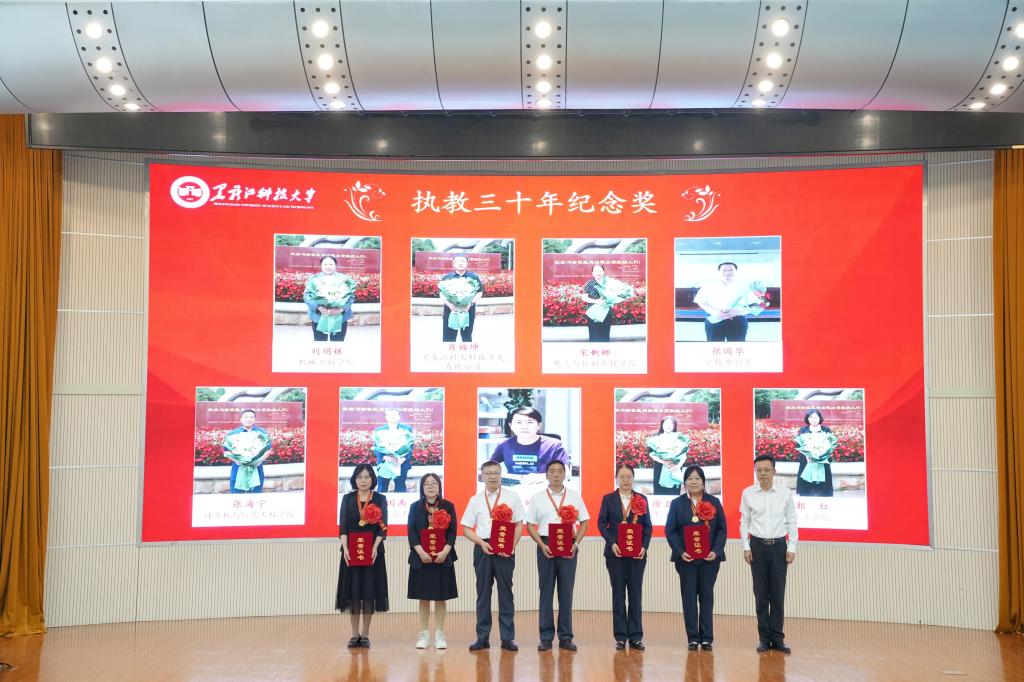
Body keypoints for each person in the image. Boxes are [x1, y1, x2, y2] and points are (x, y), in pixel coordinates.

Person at [460, 460, 526, 652]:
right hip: (483, 548)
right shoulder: (475, 500)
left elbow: (519, 524)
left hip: (506, 549)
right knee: (483, 594)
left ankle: (507, 638)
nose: (493, 477)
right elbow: (466, 529)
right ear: (482, 476)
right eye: (488, 473)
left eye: (496, 473)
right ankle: (482, 637)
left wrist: (512, 546)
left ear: (501, 475)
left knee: (506, 593)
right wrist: (481, 543)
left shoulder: (512, 496)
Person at [526, 460, 589, 651]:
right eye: (552, 471)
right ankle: (545, 638)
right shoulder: (537, 498)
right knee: (545, 592)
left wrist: (576, 544)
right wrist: (541, 545)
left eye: (560, 471)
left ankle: (565, 637)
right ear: (546, 475)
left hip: (568, 547)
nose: (556, 474)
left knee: (566, 592)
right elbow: (530, 525)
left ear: (564, 474)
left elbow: (584, 522)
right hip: (545, 545)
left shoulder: (574, 496)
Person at [740, 455, 798, 654]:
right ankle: (764, 638)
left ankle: (778, 638)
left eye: (767, 470)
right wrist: (745, 547)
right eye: (759, 470)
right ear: (755, 471)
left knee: (778, 595)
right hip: (756, 546)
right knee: (761, 595)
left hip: (779, 547)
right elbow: (744, 522)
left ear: (774, 471)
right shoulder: (748, 493)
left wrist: (792, 548)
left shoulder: (785, 493)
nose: (763, 474)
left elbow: (792, 521)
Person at [665, 466, 727, 651]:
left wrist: (715, 551)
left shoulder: (714, 501)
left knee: (706, 598)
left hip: (709, 560)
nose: (694, 482)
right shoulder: (677, 504)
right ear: (684, 482)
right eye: (690, 478)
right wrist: (680, 551)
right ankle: (692, 637)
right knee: (689, 598)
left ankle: (706, 638)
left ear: (703, 482)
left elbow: (722, 529)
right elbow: (670, 530)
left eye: (697, 478)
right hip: (686, 560)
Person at [597, 464, 652, 650]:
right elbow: (601, 524)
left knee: (635, 594)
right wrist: (612, 542)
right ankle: (620, 637)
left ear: (633, 478)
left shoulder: (642, 499)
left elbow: (648, 527)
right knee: (618, 594)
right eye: (622, 477)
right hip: (615, 554)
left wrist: (644, 546)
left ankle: (636, 636)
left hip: (637, 555)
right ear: (616, 478)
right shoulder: (608, 499)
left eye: (629, 476)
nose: (626, 480)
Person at [336, 464, 389, 648]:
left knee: (368, 594)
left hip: (373, 553)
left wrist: (375, 547)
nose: (363, 480)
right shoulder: (348, 499)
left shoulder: (380, 499)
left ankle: (365, 634)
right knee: (353, 594)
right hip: (351, 552)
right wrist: (345, 548)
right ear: (354, 479)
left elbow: (383, 528)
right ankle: (354, 634)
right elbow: (343, 526)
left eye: (367, 477)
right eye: (359, 477)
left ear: (372, 479)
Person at [407, 473, 458, 650]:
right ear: (422, 487)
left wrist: (445, 551)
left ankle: (440, 634)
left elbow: (453, 531)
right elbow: (411, 531)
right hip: (421, 558)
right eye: (427, 483)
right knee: (423, 598)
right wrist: (420, 552)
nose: (430, 486)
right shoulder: (415, 507)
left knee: (441, 597)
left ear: (439, 486)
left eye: (434, 483)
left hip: (442, 557)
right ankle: (424, 634)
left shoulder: (448, 506)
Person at [488, 407, 570, 496]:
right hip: (514, 490)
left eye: (530, 422)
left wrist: (543, 476)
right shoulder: (504, 445)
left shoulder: (554, 445)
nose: (524, 427)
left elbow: (566, 474)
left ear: (539, 425)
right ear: (511, 426)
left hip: (544, 490)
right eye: (519, 422)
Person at [693, 262, 761, 342]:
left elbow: (755, 304)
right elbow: (700, 301)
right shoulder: (708, 285)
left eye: (731, 270)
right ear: (719, 272)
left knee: (737, 346)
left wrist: (737, 311)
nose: (727, 273)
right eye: (724, 270)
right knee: (714, 346)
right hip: (714, 319)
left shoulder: (745, 286)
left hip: (737, 321)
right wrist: (714, 312)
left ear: (736, 272)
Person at [304, 255, 356, 342]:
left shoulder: (344, 279)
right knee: (320, 342)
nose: (328, 266)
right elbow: (307, 296)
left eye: (331, 264)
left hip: (340, 316)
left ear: (335, 265)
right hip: (319, 316)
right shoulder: (314, 278)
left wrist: (341, 309)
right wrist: (319, 308)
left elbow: (351, 296)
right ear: (321, 265)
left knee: (338, 343)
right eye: (325, 264)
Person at [222, 408, 271, 493]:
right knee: (237, 493)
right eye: (245, 417)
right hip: (238, 467)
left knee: (256, 492)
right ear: (241, 419)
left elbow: (268, 449)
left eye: (251, 417)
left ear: (255, 420)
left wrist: (259, 460)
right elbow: (226, 450)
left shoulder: (262, 433)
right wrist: (237, 460)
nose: (248, 419)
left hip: (256, 467)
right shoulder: (233, 433)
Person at [439, 255, 484, 342]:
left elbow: (479, 292)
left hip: (468, 310)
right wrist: (449, 305)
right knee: (448, 337)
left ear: (467, 263)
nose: (460, 263)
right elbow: (441, 293)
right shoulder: (447, 277)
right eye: (457, 261)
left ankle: (466, 350)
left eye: (463, 261)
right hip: (451, 310)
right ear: (453, 264)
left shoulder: (473, 277)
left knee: (467, 337)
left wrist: (470, 303)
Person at [795, 409, 836, 497]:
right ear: (807, 419)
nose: (813, 419)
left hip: (822, 460)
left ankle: (823, 500)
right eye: (811, 417)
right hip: (807, 460)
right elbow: (799, 444)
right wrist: (808, 455)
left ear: (819, 418)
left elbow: (830, 444)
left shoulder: (826, 430)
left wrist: (822, 454)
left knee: (823, 484)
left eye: (815, 417)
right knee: (807, 483)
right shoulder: (803, 430)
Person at [373, 407, 414, 493]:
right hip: (385, 463)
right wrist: (385, 457)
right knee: (382, 487)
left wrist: (403, 458)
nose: (393, 416)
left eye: (395, 414)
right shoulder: (379, 430)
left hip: (401, 462)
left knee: (400, 486)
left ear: (399, 416)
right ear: (386, 417)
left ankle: (401, 502)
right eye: (390, 414)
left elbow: (410, 446)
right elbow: (376, 447)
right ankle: (381, 502)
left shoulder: (407, 429)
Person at [647, 415, 690, 496]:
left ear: (674, 426)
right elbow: (651, 453)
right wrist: (664, 462)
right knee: (660, 493)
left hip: (675, 467)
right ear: (662, 425)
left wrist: (677, 466)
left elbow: (684, 454)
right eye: (666, 423)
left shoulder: (680, 438)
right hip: (660, 467)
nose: (668, 426)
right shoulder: (656, 439)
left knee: (674, 493)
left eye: (671, 424)